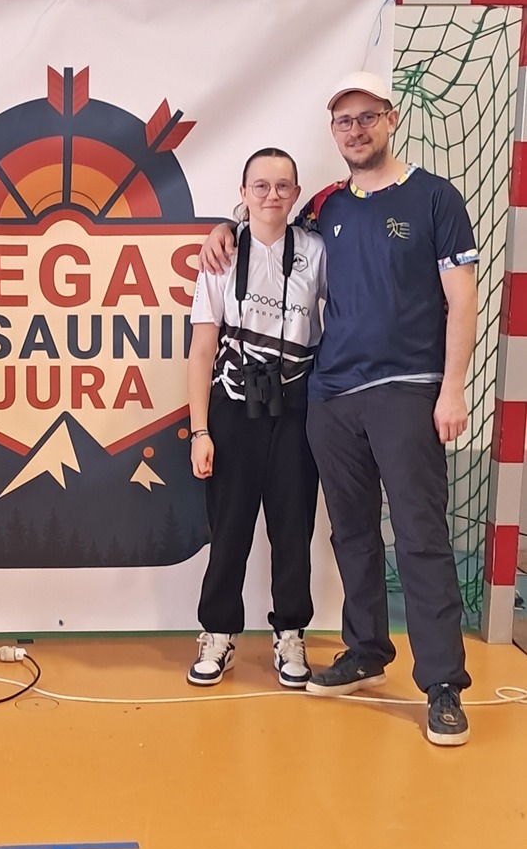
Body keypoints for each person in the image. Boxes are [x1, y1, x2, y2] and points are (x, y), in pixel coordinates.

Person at [199, 72, 478, 746]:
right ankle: (366, 650)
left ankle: (442, 683)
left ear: (391, 119)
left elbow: (463, 297)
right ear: (334, 130)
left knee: (418, 534)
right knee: (350, 533)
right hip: (329, 395)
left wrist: (453, 387)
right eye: (343, 121)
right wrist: (224, 227)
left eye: (367, 117)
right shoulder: (325, 206)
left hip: (407, 388)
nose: (355, 130)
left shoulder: (435, 198)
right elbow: (267, 225)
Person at [187, 148, 326, 689]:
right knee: (230, 527)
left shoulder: (315, 250)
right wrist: (200, 430)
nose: (272, 195)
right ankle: (218, 633)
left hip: (295, 407)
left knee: (293, 527)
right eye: (260, 186)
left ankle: (290, 632)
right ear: (242, 194)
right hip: (233, 404)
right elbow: (202, 349)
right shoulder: (221, 255)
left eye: (283, 186)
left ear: (296, 195)